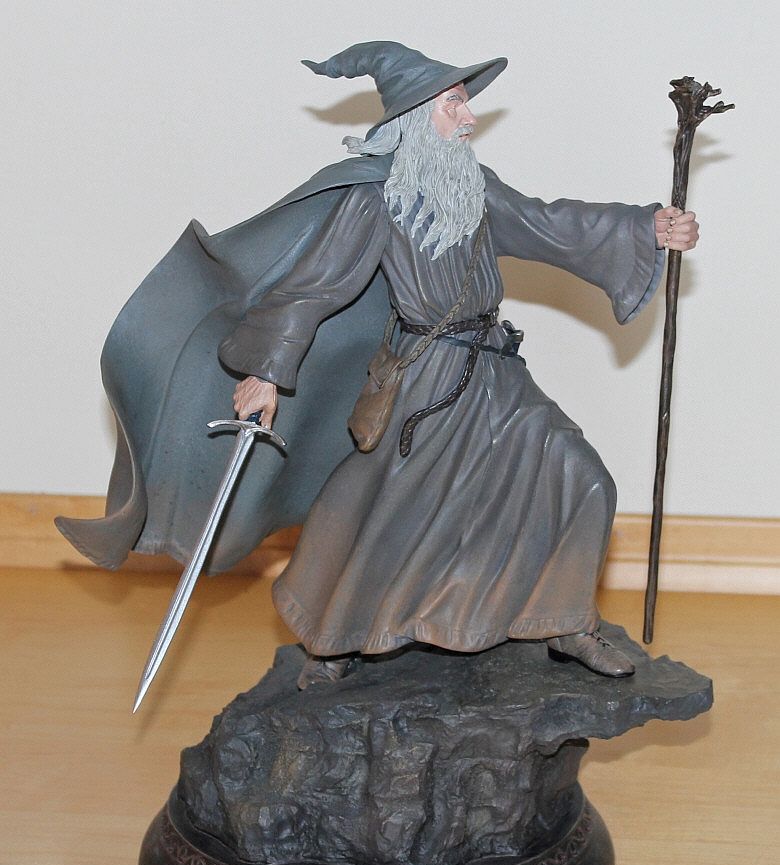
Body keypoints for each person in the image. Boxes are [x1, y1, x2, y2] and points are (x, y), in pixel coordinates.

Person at [55, 42, 698, 689]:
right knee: (383, 513)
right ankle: (332, 637)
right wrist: (267, 372)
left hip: (495, 374)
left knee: (580, 475)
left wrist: (647, 228)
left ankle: (565, 620)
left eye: (465, 104)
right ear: (416, 117)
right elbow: (313, 289)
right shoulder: (374, 201)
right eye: (454, 105)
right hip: (425, 384)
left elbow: (551, 225)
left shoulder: (476, 188)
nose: (470, 118)